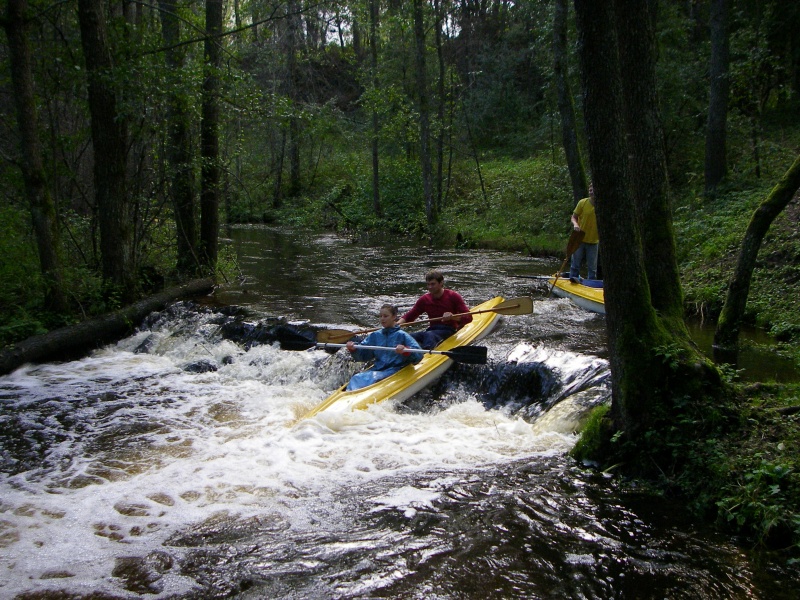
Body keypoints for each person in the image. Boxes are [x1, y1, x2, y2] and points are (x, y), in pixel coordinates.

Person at [345, 304, 422, 391]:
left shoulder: (402, 335)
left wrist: (406, 350)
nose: (382, 319)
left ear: (394, 317)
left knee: (370, 378)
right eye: (380, 316)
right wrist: (354, 349)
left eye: (385, 316)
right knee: (356, 377)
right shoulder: (375, 335)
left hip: (396, 369)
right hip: (379, 368)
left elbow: (419, 355)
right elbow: (363, 355)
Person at [396, 270, 472, 350]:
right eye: (428, 284)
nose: (430, 287)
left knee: (429, 335)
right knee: (406, 337)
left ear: (441, 283)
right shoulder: (425, 299)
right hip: (432, 330)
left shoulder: (453, 296)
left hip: (449, 331)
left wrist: (452, 317)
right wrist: (397, 324)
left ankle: (427, 356)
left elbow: (469, 317)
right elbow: (410, 315)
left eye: (433, 284)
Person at [569, 183, 600, 282]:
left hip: (594, 241)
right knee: (575, 265)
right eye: (590, 189)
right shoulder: (582, 203)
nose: (591, 191)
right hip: (580, 239)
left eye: (593, 189)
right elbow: (574, 217)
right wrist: (576, 225)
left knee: (592, 269)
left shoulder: (602, 205)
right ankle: (573, 281)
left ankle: (591, 285)